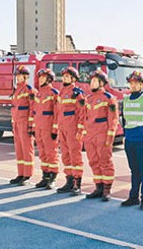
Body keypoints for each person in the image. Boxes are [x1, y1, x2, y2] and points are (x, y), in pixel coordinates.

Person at [120, 71, 143, 211]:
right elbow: (124, 119)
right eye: (131, 83)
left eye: (136, 83)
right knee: (134, 170)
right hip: (129, 140)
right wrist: (124, 135)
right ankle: (133, 197)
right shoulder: (126, 99)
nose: (133, 85)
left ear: (142, 84)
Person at [84, 69, 118, 202]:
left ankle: (107, 190)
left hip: (102, 135)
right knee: (93, 161)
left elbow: (113, 119)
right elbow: (84, 118)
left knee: (105, 161)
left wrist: (110, 136)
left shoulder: (108, 98)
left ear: (101, 83)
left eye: (94, 81)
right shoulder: (88, 99)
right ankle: (98, 187)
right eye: (91, 81)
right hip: (90, 136)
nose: (91, 83)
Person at [55, 67, 86, 196]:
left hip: (73, 129)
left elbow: (82, 113)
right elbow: (59, 112)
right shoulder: (61, 92)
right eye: (64, 76)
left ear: (73, 79)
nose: (65, 79)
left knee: (75, 156)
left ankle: (77, 184)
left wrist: (80, 130)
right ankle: (69, 181)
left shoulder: (77, 93)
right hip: (63, 129)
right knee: (65, 156)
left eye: (68, 77)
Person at [9, 65, 37, 186]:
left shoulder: (29, 90)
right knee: (19, 149)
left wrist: (31, 125)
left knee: (27, 149)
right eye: (17, 75)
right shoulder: (16, 90)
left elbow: (33, 109)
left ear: (26, 77)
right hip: (16, 123)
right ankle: (20, 173)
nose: (18, 77)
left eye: (20, 75)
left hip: (25, 123)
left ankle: (27, 175)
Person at [32, 68, 60, 189]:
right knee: (42, 153)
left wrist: (55, 130)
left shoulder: (54, 93)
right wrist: (34, 127)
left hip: (48, 128)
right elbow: (35, 112)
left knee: (51, 153)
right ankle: (45, 176)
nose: (40, 80)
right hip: (39, 127)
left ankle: (53, 177)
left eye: (43, 77)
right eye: (39, 77)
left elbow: (57, 113)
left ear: (49, 79)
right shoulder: (38, 93)